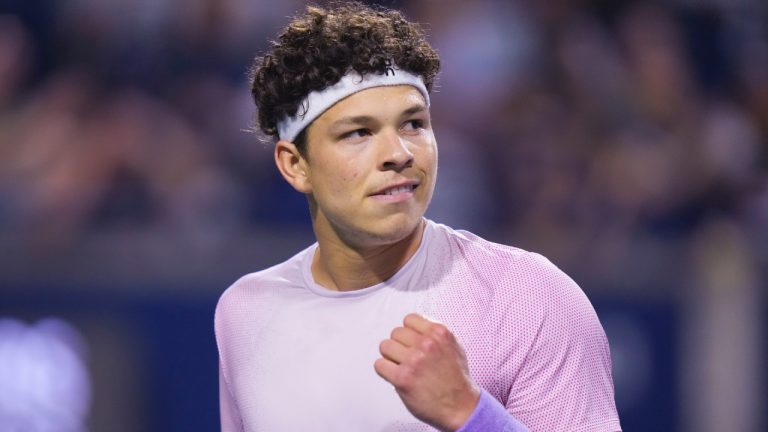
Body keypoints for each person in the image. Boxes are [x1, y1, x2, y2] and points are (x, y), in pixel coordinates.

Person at [214, 2, 621, 431]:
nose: (399, 153)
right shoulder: (245, 313)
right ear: (295, 165)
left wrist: (470, 414)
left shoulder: (528, 297)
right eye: (359, 132)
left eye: (413, 124)